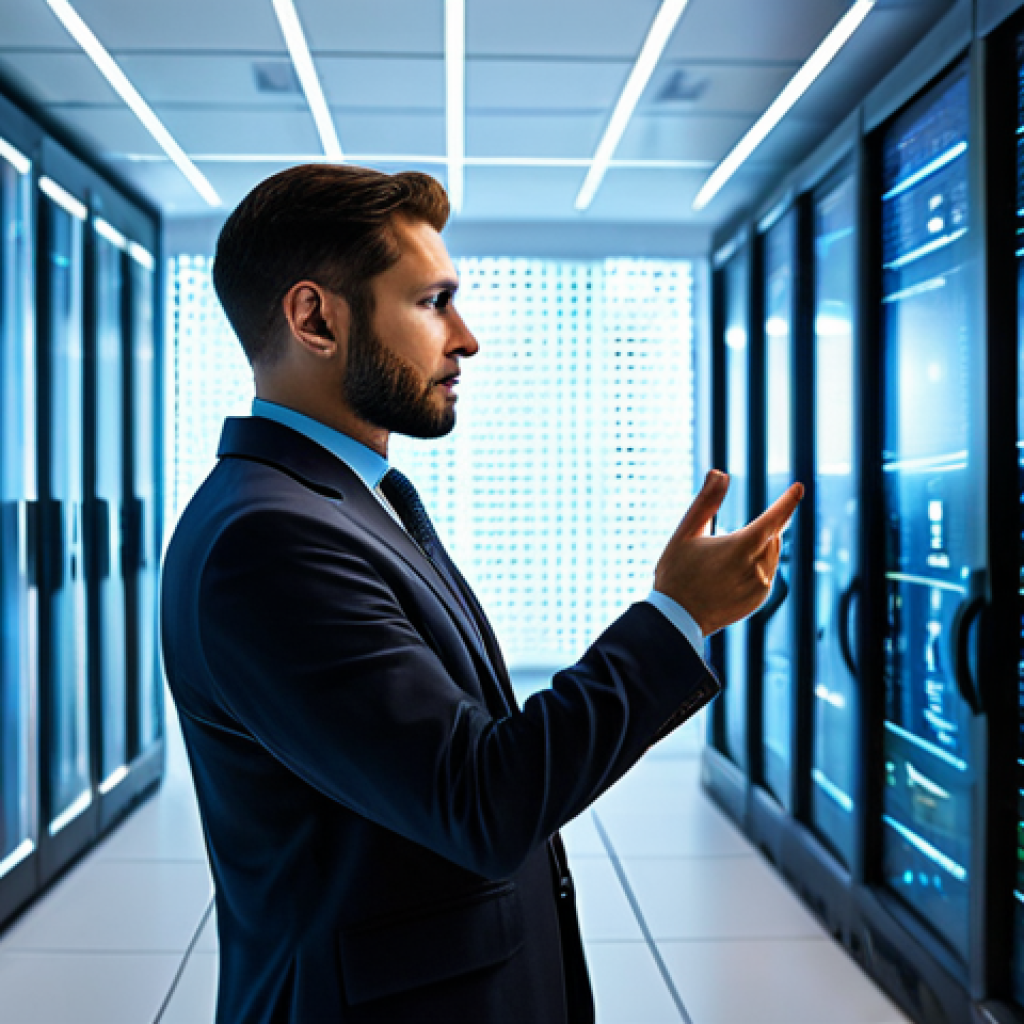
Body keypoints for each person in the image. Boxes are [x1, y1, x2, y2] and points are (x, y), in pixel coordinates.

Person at [160, 163, 803, 1024]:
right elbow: (481, 798)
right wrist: (678, 616)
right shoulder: (268, 541)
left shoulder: (337, 502)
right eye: (432, 303)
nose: (465, 338)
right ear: (316, 318)